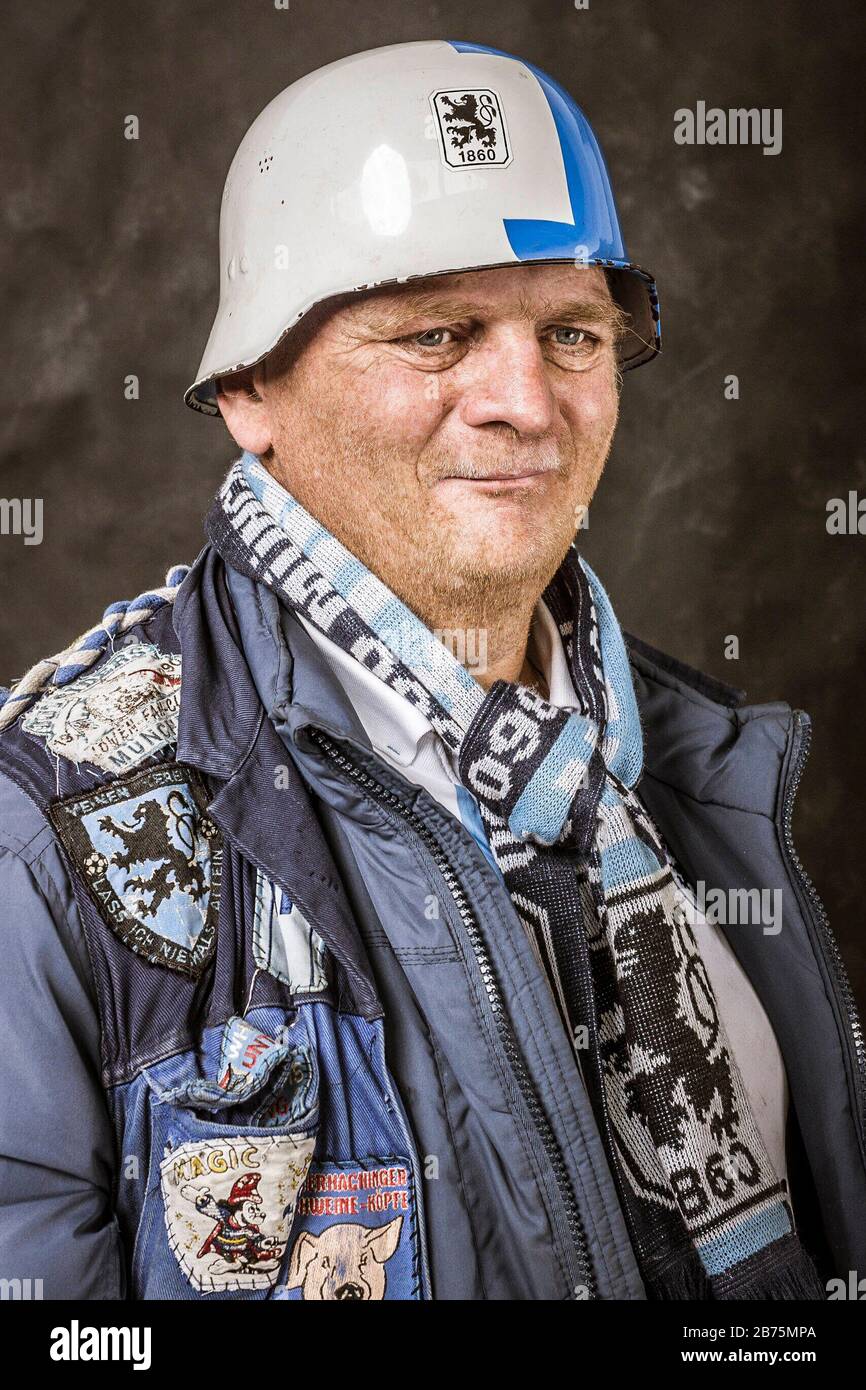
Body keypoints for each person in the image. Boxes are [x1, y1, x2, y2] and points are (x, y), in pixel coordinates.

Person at [0, 40, 862, 1302]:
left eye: (571, 332)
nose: (525, 399)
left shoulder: (701, 768)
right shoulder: (41, 837)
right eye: (437, 334)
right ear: (248, 387)